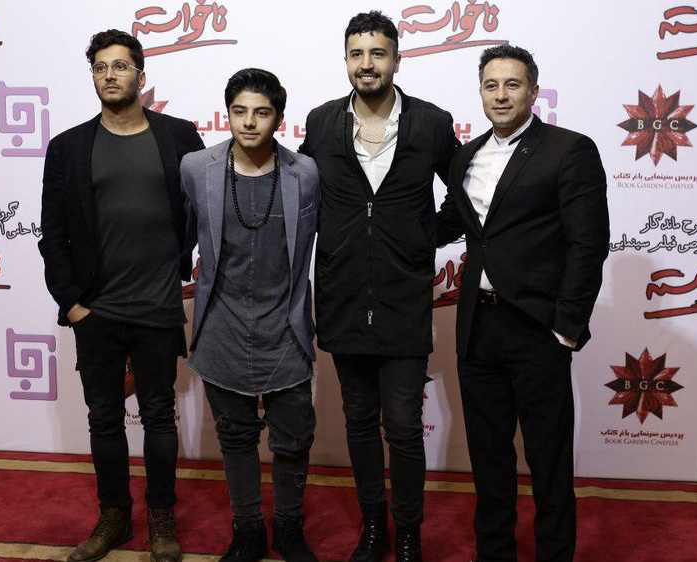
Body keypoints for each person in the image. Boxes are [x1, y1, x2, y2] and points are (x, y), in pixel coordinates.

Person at [436, 45, 610, 562]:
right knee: (489, 458)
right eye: (491, 85)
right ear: (480, 92)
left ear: (533, 91)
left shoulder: (569, 149)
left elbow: (588, 244)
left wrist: (566, 328)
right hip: (477, 328)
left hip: (538, 328)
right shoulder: (465, 156)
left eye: (512, 85)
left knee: (548, 459)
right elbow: (446, 225)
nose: (501, 95)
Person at [299, 10, 460, 562]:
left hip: (404, 297)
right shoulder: (321, 122)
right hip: (342, 294)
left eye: (377, 53)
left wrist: (424, 236)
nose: (366, 64)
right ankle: (374, 527)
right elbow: (303, 195)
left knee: (405, 426)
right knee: (359, 421)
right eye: (357, 54)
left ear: (397, 59)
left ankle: (408, 531)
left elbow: (465, 190)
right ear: (346, 60)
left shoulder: (431, 123)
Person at [38, 29, 203, 562]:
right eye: (100, 67)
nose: (110, 75)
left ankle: (161, 518)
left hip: (158, 307)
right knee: (103, 420)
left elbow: (202, 211)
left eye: (120, 66)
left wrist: (179, 265)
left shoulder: (179, 136)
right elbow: (53, 234)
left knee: (159, 417)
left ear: (141, 75)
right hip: (97, 313)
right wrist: (73, 307)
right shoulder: (68, 148)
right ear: (93, 76)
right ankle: (113, 517)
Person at [181, 68, 321, 562]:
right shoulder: (196, 167)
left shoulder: (305, 172)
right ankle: (247, 531)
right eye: (239, 111)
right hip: (221, 324)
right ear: (227, 114)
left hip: (286, 325)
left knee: (294, 438)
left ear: (279, 118)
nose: (248, 122)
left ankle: (288, 528)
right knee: (235, 438)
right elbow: (180, 235)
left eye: (261, 113)